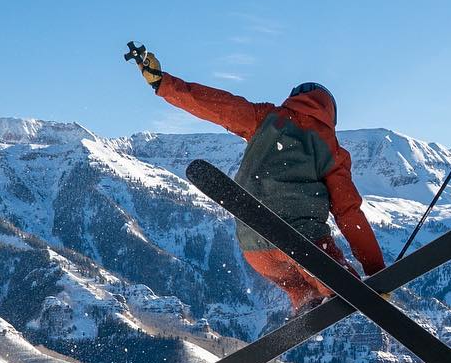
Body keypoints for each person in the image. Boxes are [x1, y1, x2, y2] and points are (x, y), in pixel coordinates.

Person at [134, 50, 386, 312]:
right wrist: (375, 270)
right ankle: (328, 290)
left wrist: (163, 84)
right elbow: (348, 213)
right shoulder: (330, 148)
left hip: (253, 240)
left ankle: (304, 301)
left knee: (297, 287)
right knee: (341, 281)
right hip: (302, 238)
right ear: (330, 114)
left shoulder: (266, 118)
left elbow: (218, 106)